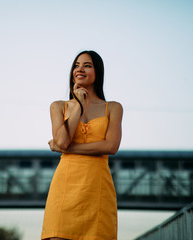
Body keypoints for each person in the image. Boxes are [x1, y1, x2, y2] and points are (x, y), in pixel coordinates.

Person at [41, 50, 123, 240]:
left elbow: (111, 146)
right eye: (77, 65)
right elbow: (62, 141)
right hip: (65, 185)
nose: (80, 69)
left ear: (98, 72)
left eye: (87, 65)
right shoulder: (58, 106)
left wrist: (65, 149)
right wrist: (77, 104)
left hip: (97, 187)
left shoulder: (113, 107)